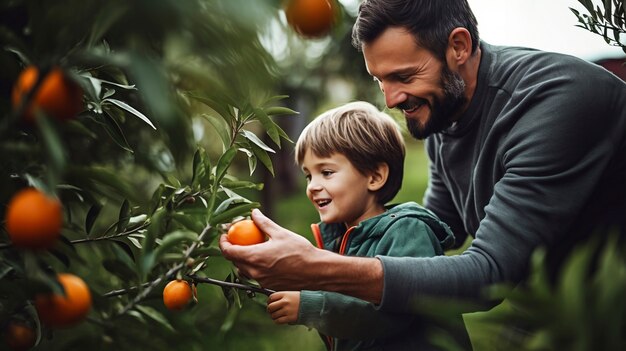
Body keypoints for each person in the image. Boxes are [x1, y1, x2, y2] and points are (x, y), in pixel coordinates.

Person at [221, 0, 626, 341]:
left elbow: (487, 275)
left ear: (459, 47)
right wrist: (307, 254)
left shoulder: (553, 103)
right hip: (556, 315)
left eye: (403, 76)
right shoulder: (442, 109)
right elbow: (431, 229)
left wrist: (316, 268)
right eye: (379, 79)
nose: (392, 98)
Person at [265, 101, 470, 350]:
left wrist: (312, 307)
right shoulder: (340, 239)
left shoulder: (408, 231)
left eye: (327, 172)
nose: (313, 186)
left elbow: (394, 312)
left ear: (374, 177)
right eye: (309, 175)